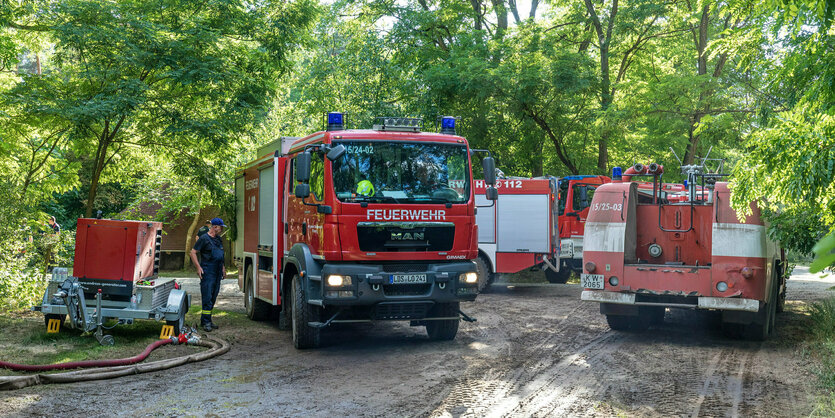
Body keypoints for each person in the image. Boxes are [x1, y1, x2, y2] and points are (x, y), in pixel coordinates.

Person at [190, 217, 227, 332]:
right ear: (215, 227)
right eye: (221, 227)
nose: (221, 229)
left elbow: (220, 255)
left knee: (213, 296)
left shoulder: (219, 239)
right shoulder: (204, 238)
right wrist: (198, 267)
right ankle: (206, 322)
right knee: (207, 297)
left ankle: (207, 320)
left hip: (217, 272)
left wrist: (223, 268)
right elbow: (193, 252)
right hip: (208, 271)